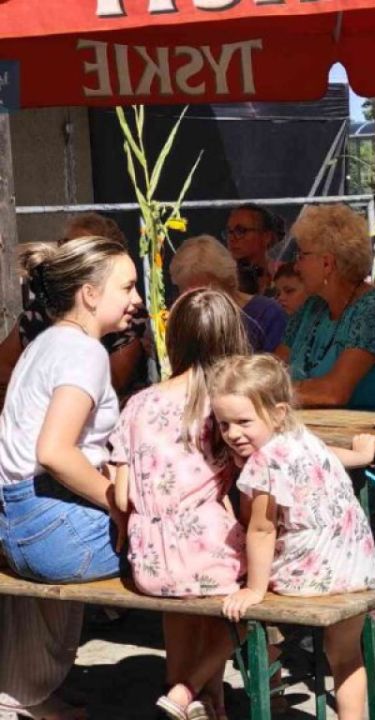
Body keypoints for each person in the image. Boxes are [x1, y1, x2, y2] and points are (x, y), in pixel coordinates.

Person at [0, 235, 141, 719]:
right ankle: (195, 689)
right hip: (51, 529)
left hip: (16, 523)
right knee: (189, 540)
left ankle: (28, 694)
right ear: (90, 294)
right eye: (127, 287)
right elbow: (55, 452)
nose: (136, 300)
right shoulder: (85, 353)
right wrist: (115, 500)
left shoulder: (43, 343)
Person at [211, 354, 375, 720]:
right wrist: (360, 456)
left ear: (277, 414)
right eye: (224, 424)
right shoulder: (299, 436)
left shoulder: (265, 460)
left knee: (243, 605)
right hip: (355, 563)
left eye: (243, 422)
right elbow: (327, 456)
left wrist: (254, 590)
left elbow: (262, 528)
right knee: (346, 655)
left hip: (311, 572)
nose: (232, 434)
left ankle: (264, 691)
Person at [110, 288, 249, 720]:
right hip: (206, 551)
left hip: (150, 561)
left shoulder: (138, 403)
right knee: (251, 597)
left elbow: (121, 494)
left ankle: (197, 694)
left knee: (183, 601)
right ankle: (194, 691)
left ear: (175, 340)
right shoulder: (228, 406)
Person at [278, 204, 375, 508]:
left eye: (302, 255)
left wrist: (268, 393)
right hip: (324, 450)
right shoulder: (311, 308)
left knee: (300, 496)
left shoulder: (374, 312)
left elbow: (334, 392)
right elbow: (273, 368)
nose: (296, 265)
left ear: (327, 263)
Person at [0, 213, 150, 401]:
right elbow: (3, 367)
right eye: (65, 243)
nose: (136, 299)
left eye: (77, 248)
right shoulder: (40, 312)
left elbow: (111, 385)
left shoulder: (127, 316)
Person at [170, 234, 287, 353]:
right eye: (188, 294)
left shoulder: (267, 315)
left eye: (205, 292)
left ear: (226, 281)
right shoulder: (184, 323)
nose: (199, 301)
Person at [222, 203, 286, 295]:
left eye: (240, 231)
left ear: (266, 237)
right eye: (229, 232)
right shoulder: (218, 277)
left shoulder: (286, 274)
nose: (231, 238)